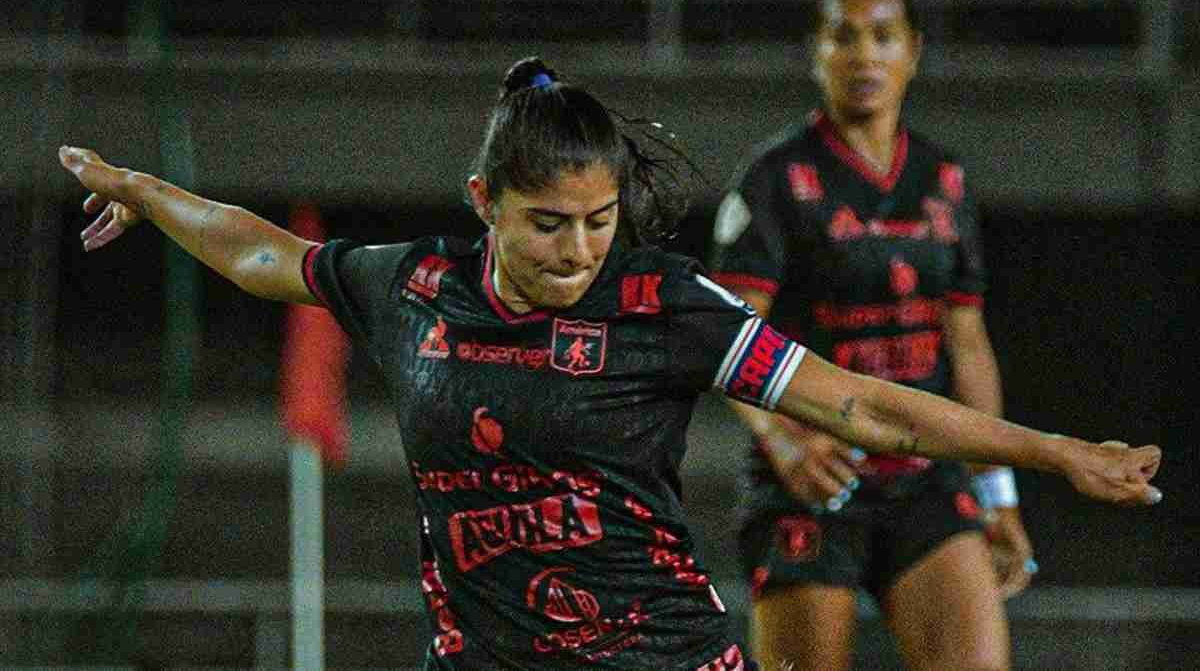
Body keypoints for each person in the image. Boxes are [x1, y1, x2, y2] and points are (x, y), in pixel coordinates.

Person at [60, 56, 1161, 671]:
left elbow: (866, 407)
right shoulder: (413, 288)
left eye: (597, 222)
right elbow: (267, 256)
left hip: (662, 659)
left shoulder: (662, 304)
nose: (579, 250)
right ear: (485, 203)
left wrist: (1054, 452)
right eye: (548, 224)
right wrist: (149, 192)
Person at [709, 0, 1048, 669]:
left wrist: (996, 491)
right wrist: (784, 440)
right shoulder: (775, 179)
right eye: (844, 37)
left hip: (925, 477)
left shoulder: (944, 179)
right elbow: (725, 335)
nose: (864, 55)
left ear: (913, 51)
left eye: (883, 36)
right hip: (815, 477)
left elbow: (968, 344)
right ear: (817, 52)